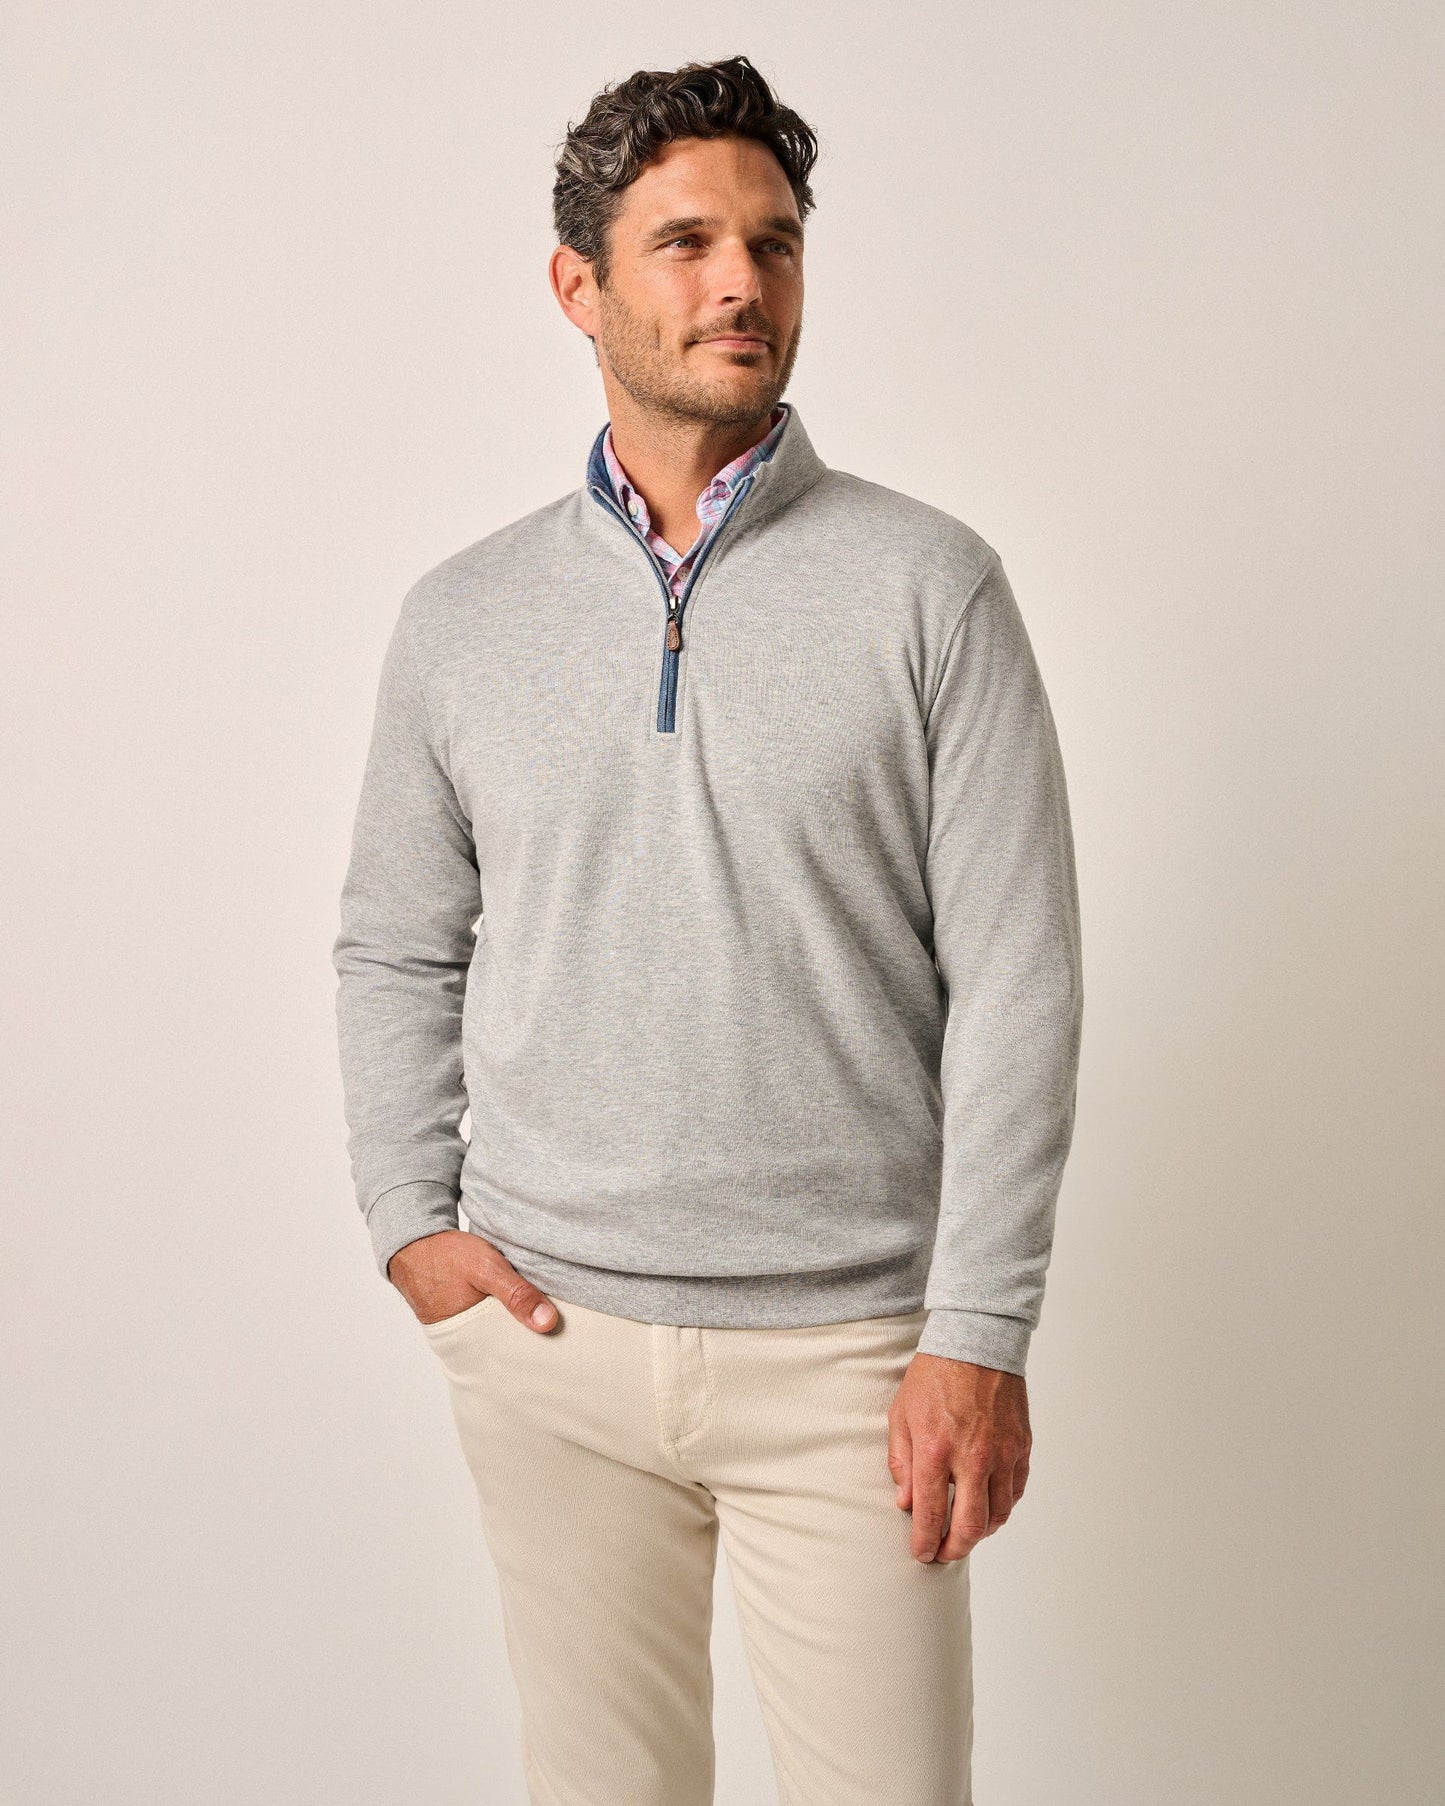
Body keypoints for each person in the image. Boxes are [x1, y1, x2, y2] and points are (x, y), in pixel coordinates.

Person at [331, 52, 1083, 1806]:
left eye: (773, 241)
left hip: (852, 1352)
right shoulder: (461, 617)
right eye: (684, 242)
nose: (741, 280)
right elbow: (396, 942)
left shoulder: (930, 587)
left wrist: (976, 1329)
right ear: (577, 285)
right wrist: (408, 1221)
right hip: (547, 1340)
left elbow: (1018, 976)